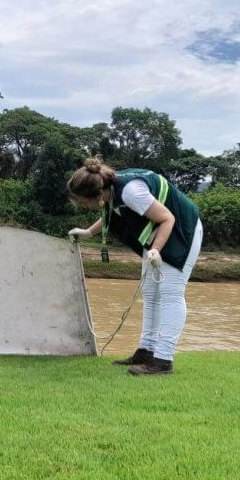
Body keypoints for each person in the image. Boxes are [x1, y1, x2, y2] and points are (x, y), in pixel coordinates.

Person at [66, 157, 203, 375]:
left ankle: (163, 360)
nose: (83, 206)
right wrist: (88, 232)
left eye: (83, 202)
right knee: (150, 292)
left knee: (171, 293)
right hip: (159, 234)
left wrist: (155, 250)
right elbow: (111, 213)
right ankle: (146, 352)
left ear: (98, 194)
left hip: (180, 231)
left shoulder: (131, 192)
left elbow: (167, 218)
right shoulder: (111, 188)